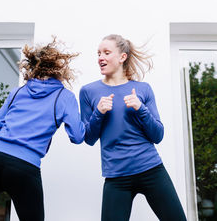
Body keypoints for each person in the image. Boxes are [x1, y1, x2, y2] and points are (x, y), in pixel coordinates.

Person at [0, 39, 86, 221]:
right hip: (24, 167)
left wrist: (10, 142)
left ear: (33, 66)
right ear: (59, 69)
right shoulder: (64, 97)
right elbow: (77, 136)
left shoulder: (18, 91)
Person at [79, 34, 187, 221]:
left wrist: (140, 108)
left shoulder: (143, 89)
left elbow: (158, 135)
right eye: (98, 53)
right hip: (116, 176)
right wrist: (98, 112)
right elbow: (88, 138)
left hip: (151, 169)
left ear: (122, 57)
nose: (100, 58)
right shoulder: (89, 92)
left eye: (106, 53)